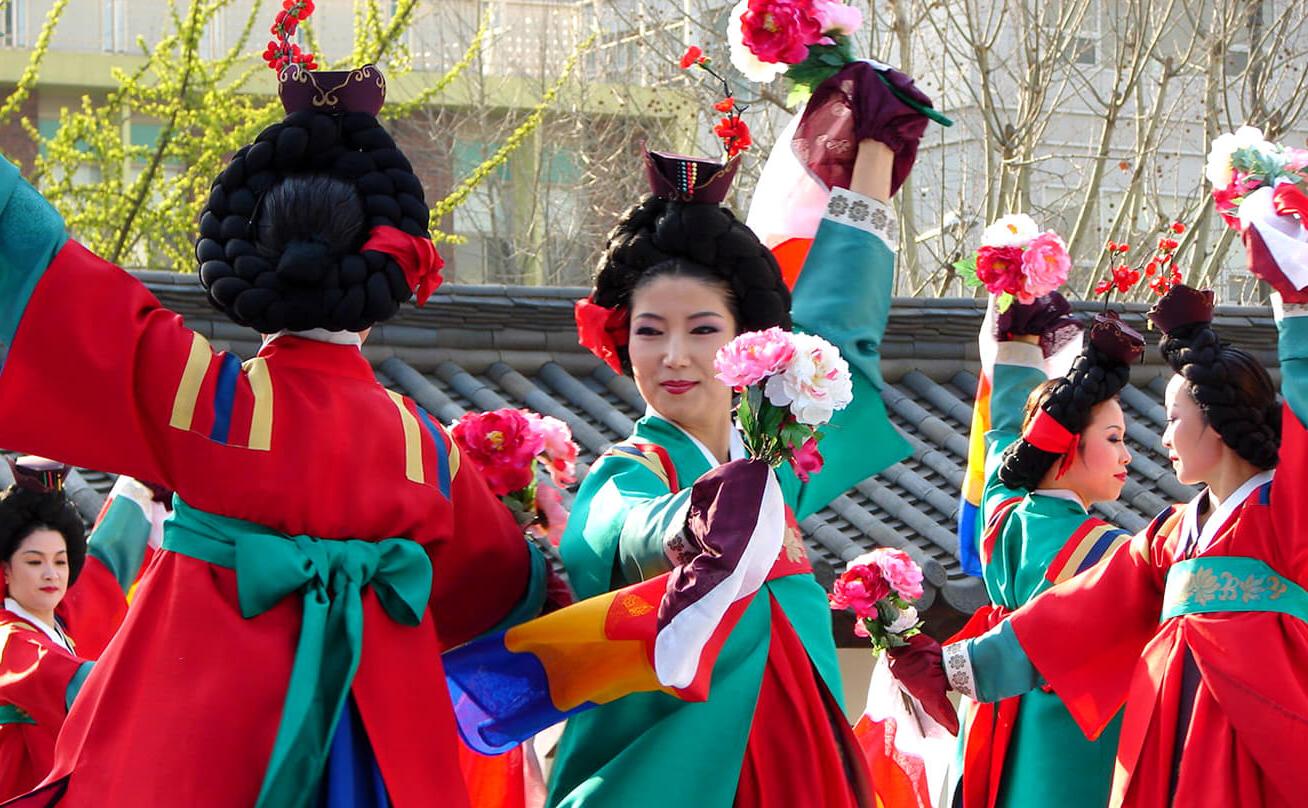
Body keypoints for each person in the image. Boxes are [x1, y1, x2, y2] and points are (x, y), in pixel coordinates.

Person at [0, 59, 545, 808]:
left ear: (249, 255)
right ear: (395, 266)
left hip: (202, 739)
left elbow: (50, 290)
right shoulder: (423, 449)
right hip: (379, 743)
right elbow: (501, 590)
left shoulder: (205, 399)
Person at [549, 68, 937, 808]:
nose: (673, 357)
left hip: (801, 766)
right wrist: (703, 517)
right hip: (685, 774)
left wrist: (874, 159)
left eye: (702, 331)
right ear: (621, 343)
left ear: (746, 343)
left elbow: (841, 334)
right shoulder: (632, 473)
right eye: (649, 332)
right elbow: (623, 529)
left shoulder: (768, 465)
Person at [890, 266, 1307, 804]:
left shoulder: (1285, 511)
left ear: (1218, 423)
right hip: (1170, 736)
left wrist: (1296, 307)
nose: (1158, 438)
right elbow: (1077, 610)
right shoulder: (1171, 535)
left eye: (1173, 417)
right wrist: (957, 666)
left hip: (1257, 729)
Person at [944, 298, 1143, 808]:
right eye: (1115, 438)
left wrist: (1017, 349)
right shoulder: (1111, 551)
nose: (1126, 455)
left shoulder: (1004, 511)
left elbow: (1004, 437)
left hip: (997, 709)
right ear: (1065, 445)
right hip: (1070, 729)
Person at [0, 459, 93, 801]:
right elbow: (61, 675)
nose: (51, 574)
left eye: (60, 561)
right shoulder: (9, 637)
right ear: (6, 570)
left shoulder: (57, 629)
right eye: (35, 562)